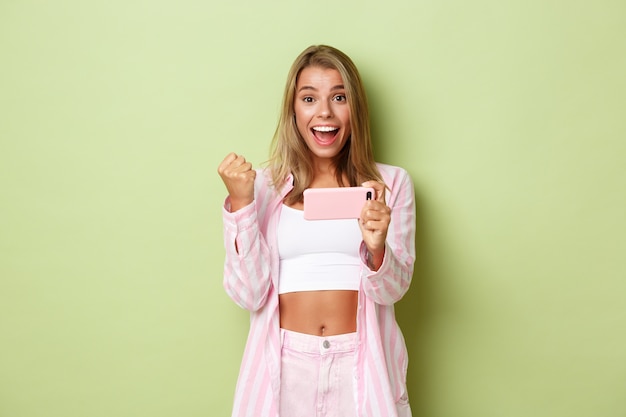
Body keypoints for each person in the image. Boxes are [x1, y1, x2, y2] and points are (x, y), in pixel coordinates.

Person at [218, 44, 416, 417]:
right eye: (309, 98)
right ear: (294, 110)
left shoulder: (390, 183)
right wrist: (242, 206)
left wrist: (377, 251)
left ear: (354, 108)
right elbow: (250, 294)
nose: (324, 112)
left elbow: (394, 289)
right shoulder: (263, 187)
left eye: (339, 97)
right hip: (287, 365)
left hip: (360, 363)